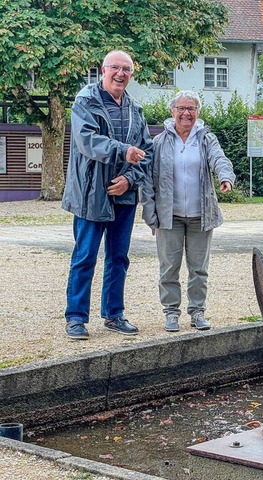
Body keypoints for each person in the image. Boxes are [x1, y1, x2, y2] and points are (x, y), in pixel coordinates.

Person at [61, 50, 152, 340]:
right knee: (85, 256)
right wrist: (122, 150)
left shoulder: (135, 109)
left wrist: (128, 178)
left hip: (123, 195)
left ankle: (114, 314)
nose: (120, 74)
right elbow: (87, 141)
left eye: (126, 69)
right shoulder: (84, 101)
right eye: (115, 68)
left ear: (132, 74)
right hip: (91, 194)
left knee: (118, 257)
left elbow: (146, 153)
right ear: (103, 70)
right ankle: (76, 317)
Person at [141, 90, 235, 332]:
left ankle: (197, 312)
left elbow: (219, 159)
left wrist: (225, 177)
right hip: (168, 216)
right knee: (169, 267)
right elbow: (148, 181)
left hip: (200, 215)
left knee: (199, 269)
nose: (186, 113)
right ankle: (171, 312)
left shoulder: (206, 139)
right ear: (172, 112)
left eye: (191, 109)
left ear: (198, 112)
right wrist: (151, 216)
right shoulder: (159, 142)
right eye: (181, 108)